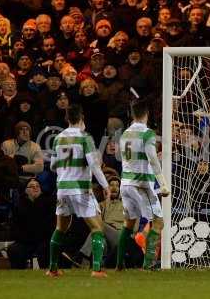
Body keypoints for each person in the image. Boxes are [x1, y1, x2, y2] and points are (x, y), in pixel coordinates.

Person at [47, 104, 111, 278]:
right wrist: (105, 185)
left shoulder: (58, 138)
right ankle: (97, 269)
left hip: (62, 189)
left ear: (67, 119)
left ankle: (52, 269)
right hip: (79, 189)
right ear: (82, 118)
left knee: (60, 227)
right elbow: (94, 166)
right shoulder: (85, 137)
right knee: (97, 227)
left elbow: (52, 165)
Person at [116, 100, 169, 270]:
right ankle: (149, 265)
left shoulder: (125, 134)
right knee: (158, 222)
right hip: (141, 184)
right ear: (147, 114)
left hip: (125, 183)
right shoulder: (148, 133)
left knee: (128, 223)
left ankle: (119, 265)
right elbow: (153, 160)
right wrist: (163, 184)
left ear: (132, 115)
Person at [7, 178, 55, 269]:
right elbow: (15, 228)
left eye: (37, 186)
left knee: (46, 248)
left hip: (43, 240)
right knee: (14, 249)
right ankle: (19, 274)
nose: (35, 188)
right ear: (26, 190)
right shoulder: (19, 206)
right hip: (25, 241)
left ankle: (47, 271)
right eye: (32, 186)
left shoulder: (48, 203)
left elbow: (51, 225)